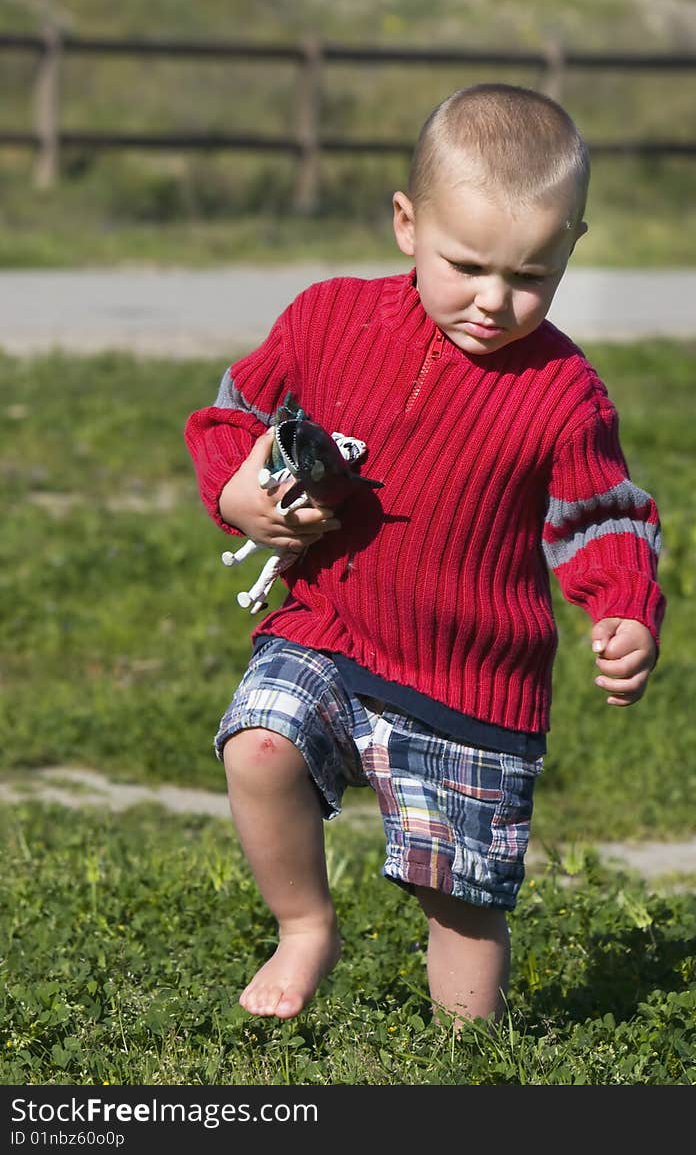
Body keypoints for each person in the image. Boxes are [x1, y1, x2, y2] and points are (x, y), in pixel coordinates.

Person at [184, 82, 665, 1027]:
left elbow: (603, 516)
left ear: (572, 248)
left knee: (463, 893)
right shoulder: (330, 318)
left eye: (530, 277)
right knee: (259, 746)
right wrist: (238, 490)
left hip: (472, 677)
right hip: (327, 625)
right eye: (469, 265)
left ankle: (467, 1052)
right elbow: (234, 411)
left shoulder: (563, 394)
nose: (494, 301)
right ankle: (304, 925)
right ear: (408, 224)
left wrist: (622, 607)